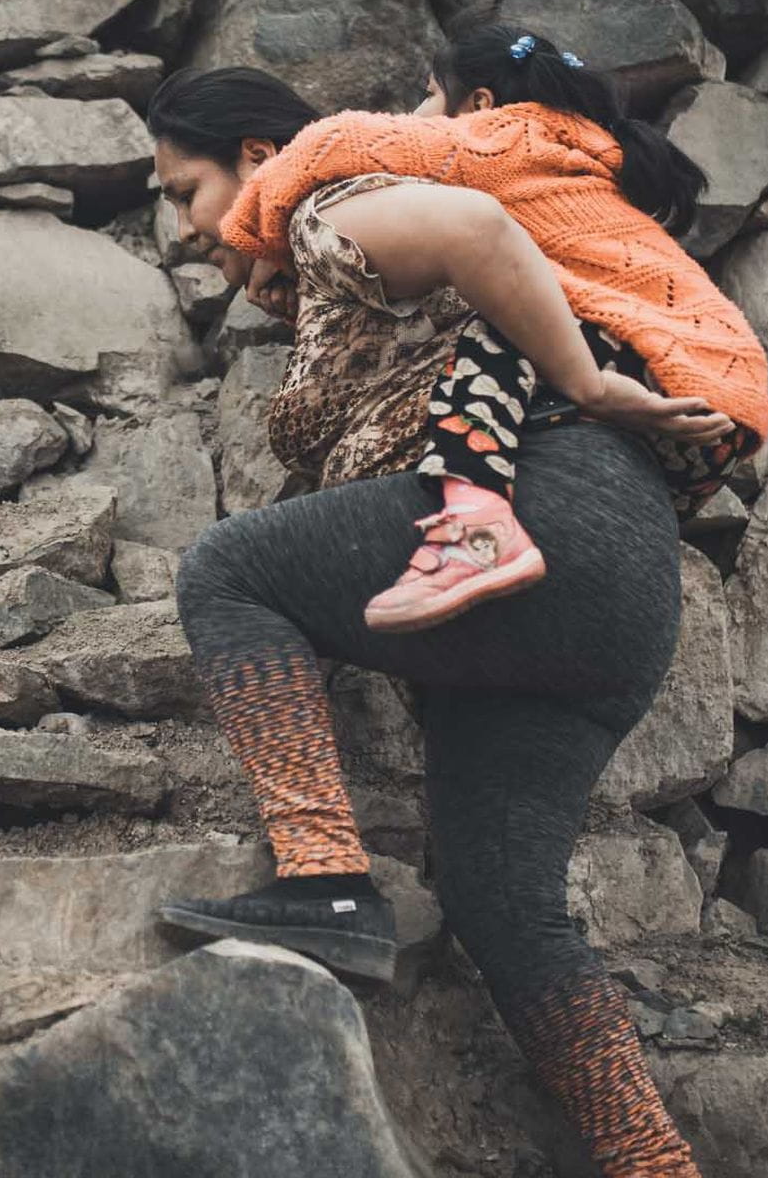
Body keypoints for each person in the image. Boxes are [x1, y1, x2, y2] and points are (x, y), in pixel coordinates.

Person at [145, 64, 721, 1178]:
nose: (178, 226)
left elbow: (474, 221)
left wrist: (585, 386)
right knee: (499, 906)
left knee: (225, 571)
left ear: (259, 160)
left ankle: (323, 878)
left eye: (182, 190)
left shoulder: (321, 205)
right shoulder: (325, 267)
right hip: (610, 601)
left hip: (544, 505)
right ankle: (654, 1162)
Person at [217, 16, 768, 632]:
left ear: (478, 102)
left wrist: (259, 236)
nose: (417, 112)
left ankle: (477, 525)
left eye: (429, 94)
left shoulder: (505, 139)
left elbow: (336, 142)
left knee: (506, 325)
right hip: (716, 423)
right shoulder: (583, 158)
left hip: (649, 355)